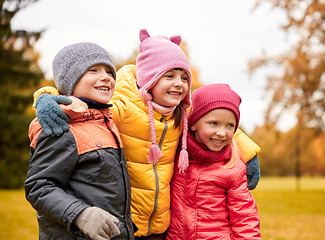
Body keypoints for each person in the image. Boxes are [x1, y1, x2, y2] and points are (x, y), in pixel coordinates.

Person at [32, 29, 261, 239]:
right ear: (150, 78)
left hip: (163, 226)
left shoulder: (180, 112)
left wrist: (249, 153)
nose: (179, 84)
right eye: (169, 76)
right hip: (128, 223)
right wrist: (47, 96)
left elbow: (216, 119)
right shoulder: (123, 105)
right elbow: (84, 104)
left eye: (184, 77)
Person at [24, 42, 136, 240]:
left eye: (110, 72)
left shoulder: (106, 122)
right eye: (93, 70)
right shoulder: (60, 125)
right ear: (70, 80)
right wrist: (80, 214)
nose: (106, 77)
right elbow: (39, 186)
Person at [166, 84, 261, 240]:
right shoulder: (176, 153)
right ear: (194, 123)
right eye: (214, 123)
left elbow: (245, 217)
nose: (222, 133)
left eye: (230, 125)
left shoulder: (232, 168)